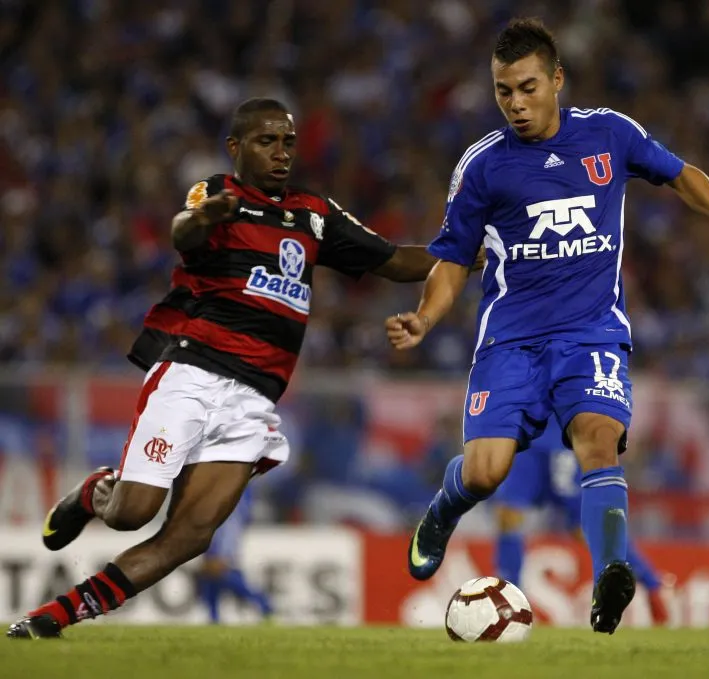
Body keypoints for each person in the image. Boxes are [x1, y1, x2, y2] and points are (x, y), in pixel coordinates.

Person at [386, 18, 709, 635]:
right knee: (486, 472)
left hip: (591, 333)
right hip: (510, 341)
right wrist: (427, 318)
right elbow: (454, 257)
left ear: (558, 79)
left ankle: (611, 574)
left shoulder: (609, 134)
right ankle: (445, 506)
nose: (516, 103)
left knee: (598, 438)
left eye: (528, 87)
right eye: (503, 91)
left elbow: (680, 173)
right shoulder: (483, 167)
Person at [8, 97, 442, 640]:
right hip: (193, 373)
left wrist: (471, 248)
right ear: (236, 148)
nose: (281, 152)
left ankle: (56, 616)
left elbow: (397, 261)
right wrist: (203, 218)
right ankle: (99, 491)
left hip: (255, 399)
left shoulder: (314, 214)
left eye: (287, 141)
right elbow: (183, 231)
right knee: (131, 513)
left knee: (192, 535)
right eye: (266, 141)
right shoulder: (220, 194)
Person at [491, 419, 671, 626]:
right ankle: (510, 601)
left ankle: (652, 585)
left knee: (585, 529)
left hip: (562, 437)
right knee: (508, 514)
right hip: (525, 435)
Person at [197, 486, 274, 624]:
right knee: (211, 574)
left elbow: (237, 518)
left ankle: (263, 604)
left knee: (219, 570)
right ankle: (213, 618)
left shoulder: (234, 488)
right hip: (219, 525)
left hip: (224, 528)